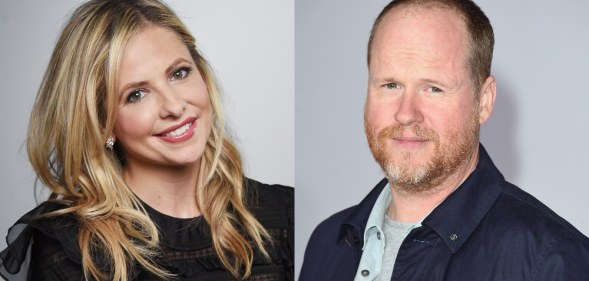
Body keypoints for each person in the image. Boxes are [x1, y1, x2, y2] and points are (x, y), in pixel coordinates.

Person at [0, 0, 293, 280]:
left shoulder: (287, 215)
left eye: (179, 73)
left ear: (202, 75)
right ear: (102, 123)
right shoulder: (68, 251)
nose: (174, 107)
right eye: (136, 94)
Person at [299, 0, 589, 280]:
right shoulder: (327, 242)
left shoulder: (553, 262)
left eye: (433, 88)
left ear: (484, 101)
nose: (406, 113)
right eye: (391, 85)